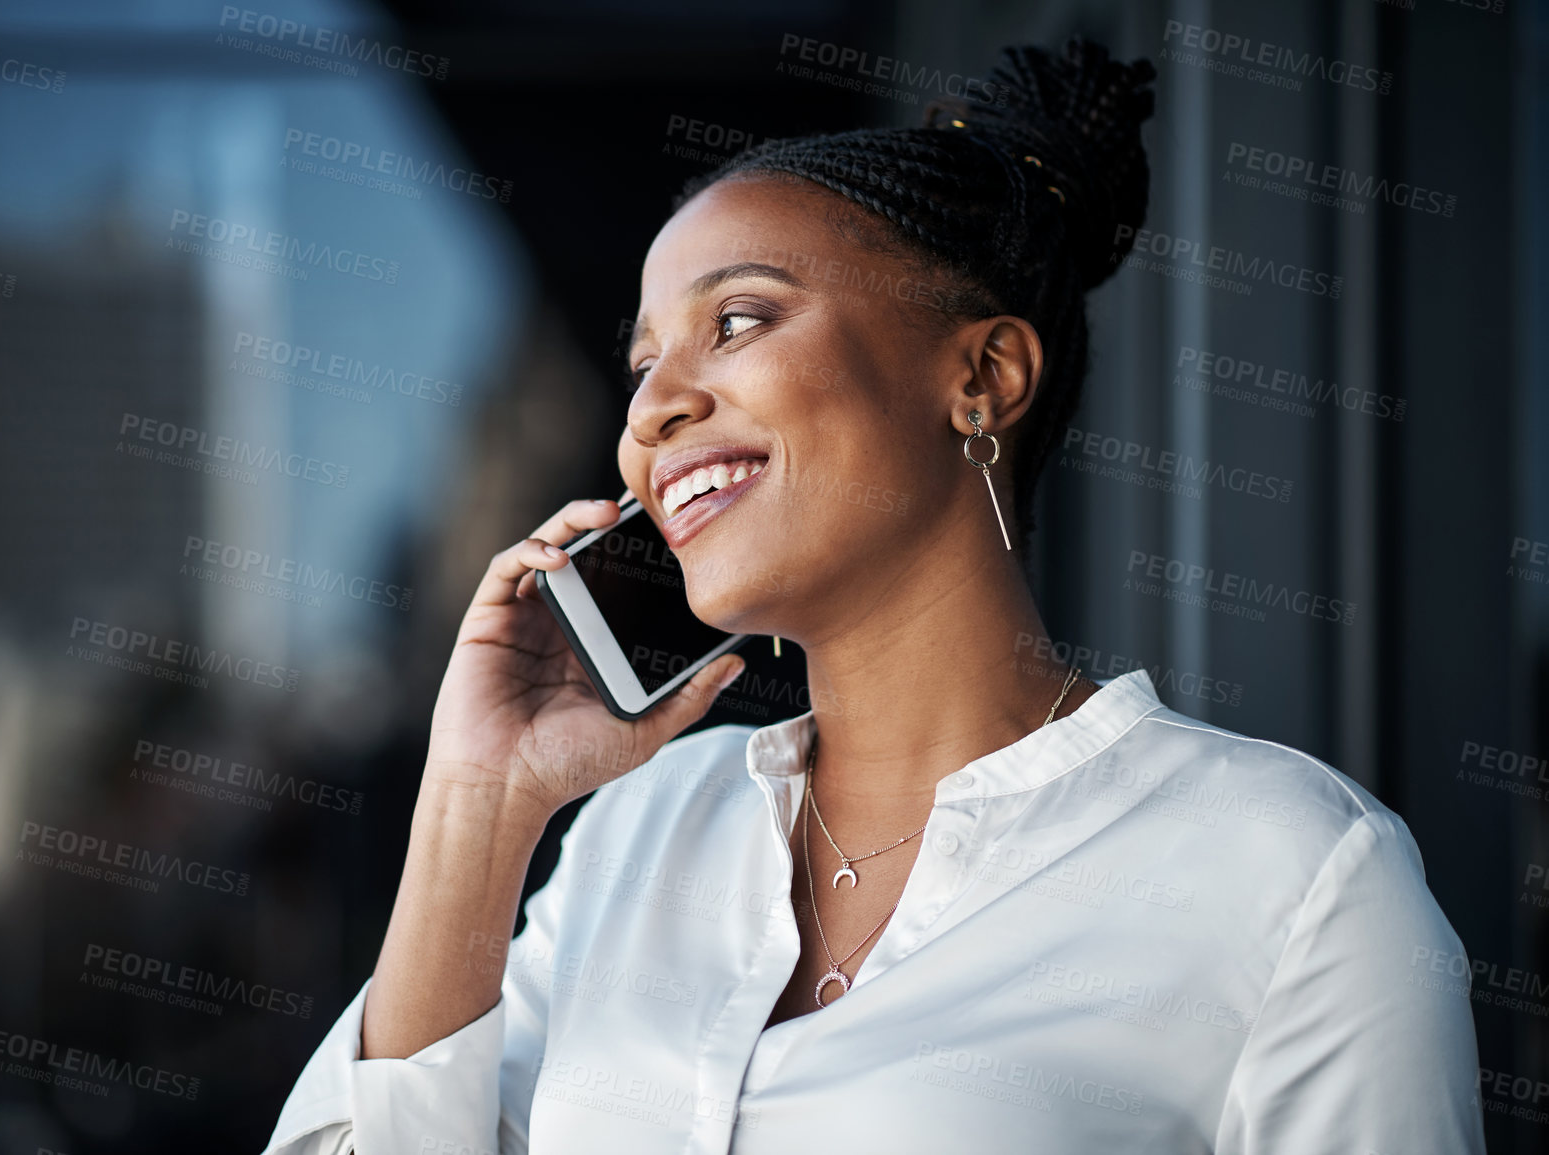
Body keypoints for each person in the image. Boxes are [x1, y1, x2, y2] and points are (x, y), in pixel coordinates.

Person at [262, 37, 1483, 1153]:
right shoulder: (638, 830)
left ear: (984, 374)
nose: (650, 410)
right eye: (642, 366)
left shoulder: (1296, 879)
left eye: (736, 320)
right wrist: (480, 809)